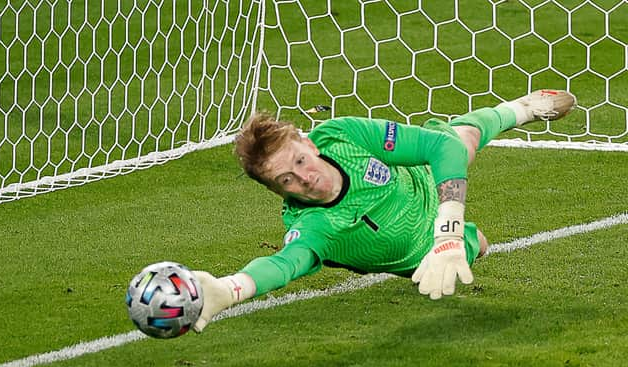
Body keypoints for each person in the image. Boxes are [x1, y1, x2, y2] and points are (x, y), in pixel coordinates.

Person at [191, 89, 577, 333]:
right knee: (478, 248)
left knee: (461, 140)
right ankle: (464, 241)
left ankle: (519, 108)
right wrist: (229, 288)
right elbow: (285, 263)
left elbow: (441, 152)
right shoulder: (313, 225)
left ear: (306, 142)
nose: (304, 178)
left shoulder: (342, 135)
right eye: (286, 179)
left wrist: (449, 230)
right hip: (415, 255)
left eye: (299, 161)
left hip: (420, 181)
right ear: (277, 191)